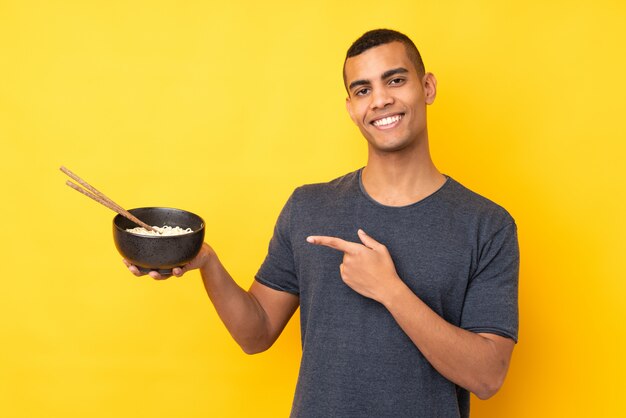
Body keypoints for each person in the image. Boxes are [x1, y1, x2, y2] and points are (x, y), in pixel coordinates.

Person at [125, 28, 519, 418]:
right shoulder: (309, 207)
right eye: (363, 90)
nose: (381, 100)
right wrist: (206, 261)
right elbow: (256, 334)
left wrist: (390, 290)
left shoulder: (487, 225)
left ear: (428, 87)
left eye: (395, 80)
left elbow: (486, 377)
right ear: (350, 107)